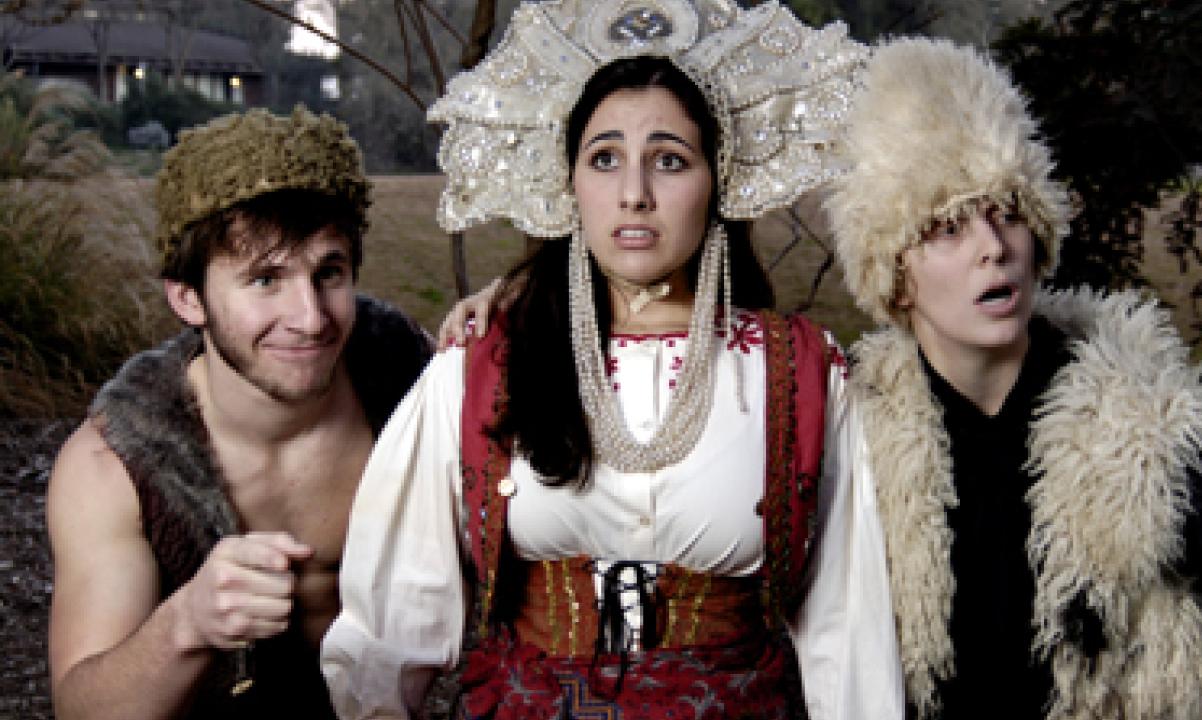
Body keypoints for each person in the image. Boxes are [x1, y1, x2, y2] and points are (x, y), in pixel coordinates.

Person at [320, 0, 902, 717]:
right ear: (570, 185)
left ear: (715, 182)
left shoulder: (798, 374)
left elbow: (848, 629)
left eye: (669, 160)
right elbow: (392, 622)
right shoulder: (482, 365)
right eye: (605, 159)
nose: (634, 194)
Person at [825, 37, 1202, 719]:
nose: (993, 247)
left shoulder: (1139, 416)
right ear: (895, 275)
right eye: (948, 227)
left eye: (1007, 212)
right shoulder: (852, 429)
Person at [45, 107, 434, 720]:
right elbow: (82, 710)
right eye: (265, 280)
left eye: (328, 273)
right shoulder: (114, 466)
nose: (310, 317)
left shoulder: (407, 377)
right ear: (187, 297)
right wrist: (186, 623)